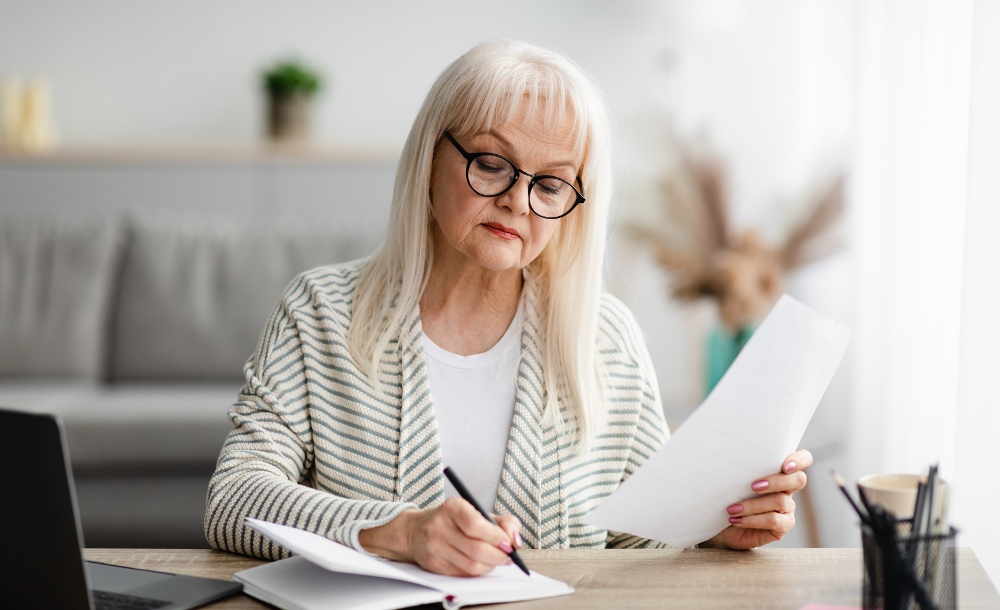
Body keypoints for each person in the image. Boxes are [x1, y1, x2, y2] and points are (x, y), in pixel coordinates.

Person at [205, 40, 812, 576]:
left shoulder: (605, 339)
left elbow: (641, 540)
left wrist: (713, 530)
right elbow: (234, 500)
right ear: (428, 160)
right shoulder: (319, 313)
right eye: (491, 165)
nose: (518, 201)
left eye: (550, 184)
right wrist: (399, 534)